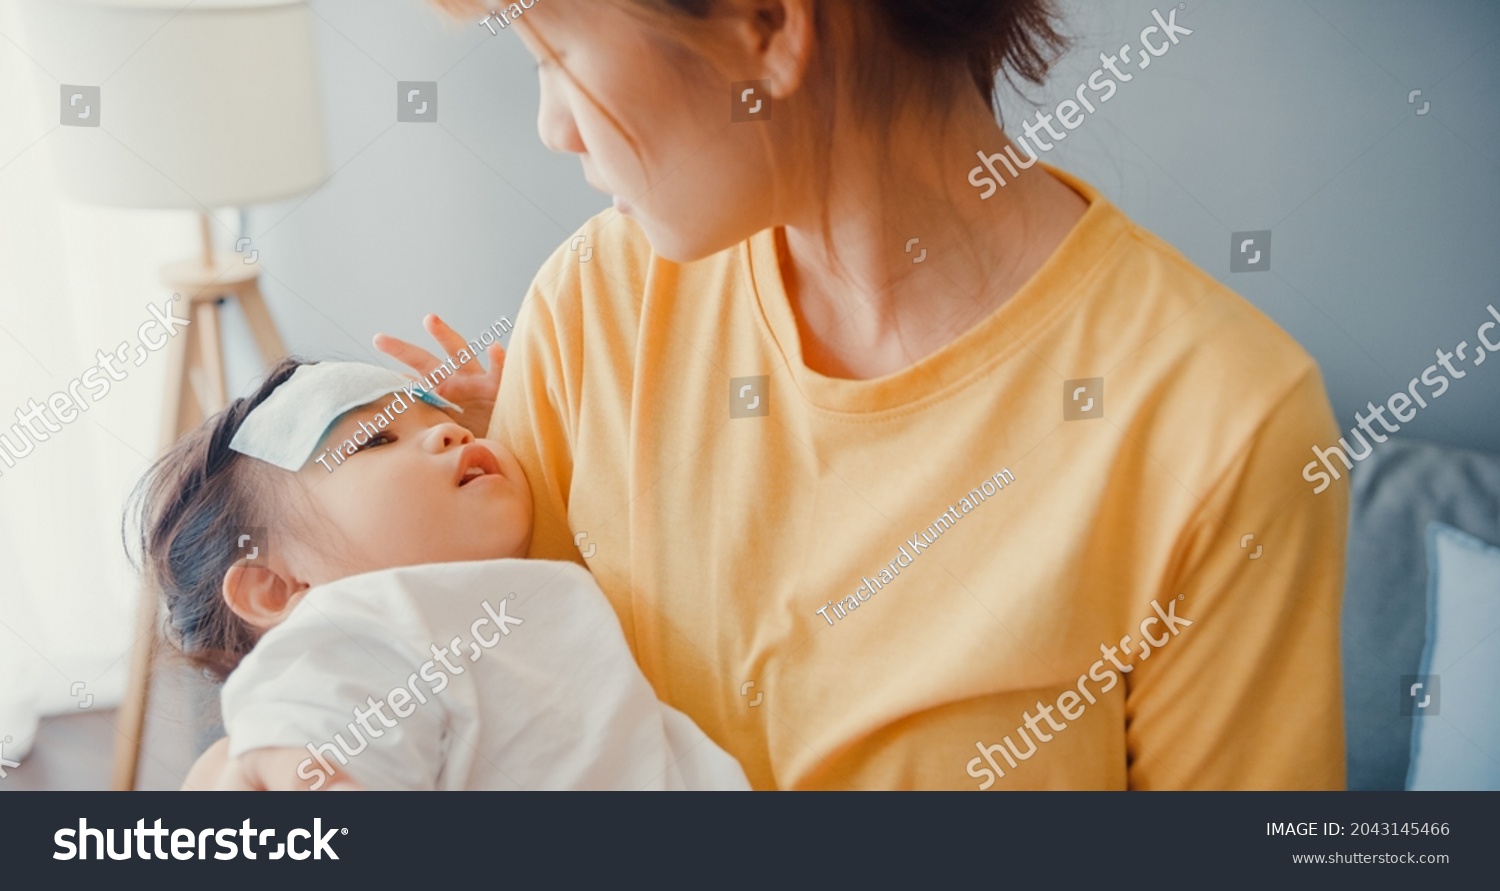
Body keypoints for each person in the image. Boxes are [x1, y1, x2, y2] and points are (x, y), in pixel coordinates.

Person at [219, 0, 1347, 790]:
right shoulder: (595, 304)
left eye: (554, 54)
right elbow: (454, 686)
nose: (552, 127)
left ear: (768, 25)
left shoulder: (1222, 421)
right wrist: (247, 767)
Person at [133, 359, 750, 790]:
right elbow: (305, 731)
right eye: (376, 440)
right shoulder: (354, 624)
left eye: (445, 417)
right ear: (280, 587)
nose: (452, 430)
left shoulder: (531, 591)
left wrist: (521, 422)